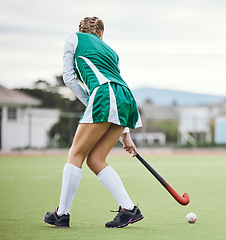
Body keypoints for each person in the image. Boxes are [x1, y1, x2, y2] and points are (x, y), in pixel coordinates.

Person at [43, 16, 143, 228]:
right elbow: (117, 85)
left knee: (75, 155)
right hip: (126, 98)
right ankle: (129, 210)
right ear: (100, 34)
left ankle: (62, 214)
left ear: (80, 30)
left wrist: (91, 101)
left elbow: (69, 78)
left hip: (104, 95)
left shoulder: (73, 39)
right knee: (95, 159)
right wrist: (126, 134)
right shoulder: (110, 51)